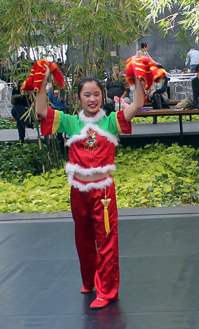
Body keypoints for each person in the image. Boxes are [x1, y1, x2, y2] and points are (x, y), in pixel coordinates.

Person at [34, 62, 145, 309]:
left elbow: (137, 105)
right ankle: (89, 281)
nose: (92, 99)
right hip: (78, 192)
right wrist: (42, 80)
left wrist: (137, 78)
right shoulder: (69, 122)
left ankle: (107, 292)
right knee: (83, 240)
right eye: (87, 95)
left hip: (103, 194)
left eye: (97, 94)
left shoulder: (111, 121)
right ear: (79, 99)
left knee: (106, 242)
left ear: (102, 97)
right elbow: (41, 109)